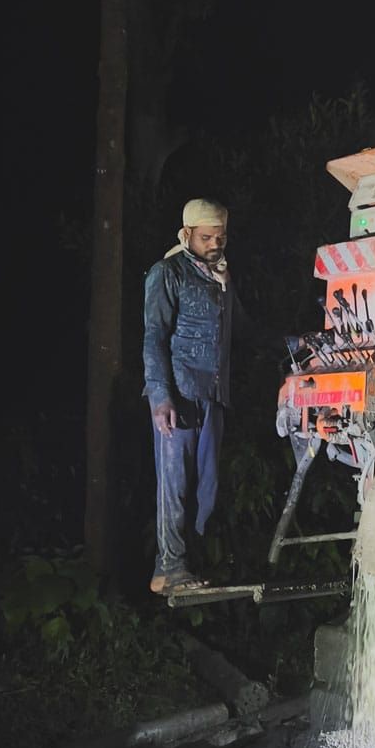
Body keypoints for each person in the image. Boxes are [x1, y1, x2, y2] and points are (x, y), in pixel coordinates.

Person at [143, 197, 233, 596]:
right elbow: (154, 336)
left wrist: (296, 342)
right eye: (207, 236)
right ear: (187, 234)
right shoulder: (168, 272)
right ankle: (168, 567)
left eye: (221, 236)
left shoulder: (221, 279)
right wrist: (160, 396)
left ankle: (188, 565)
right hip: (177, 394)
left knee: (207, 488)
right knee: (174, 484)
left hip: (211, 394)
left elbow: (241, 327)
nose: (215, 243)